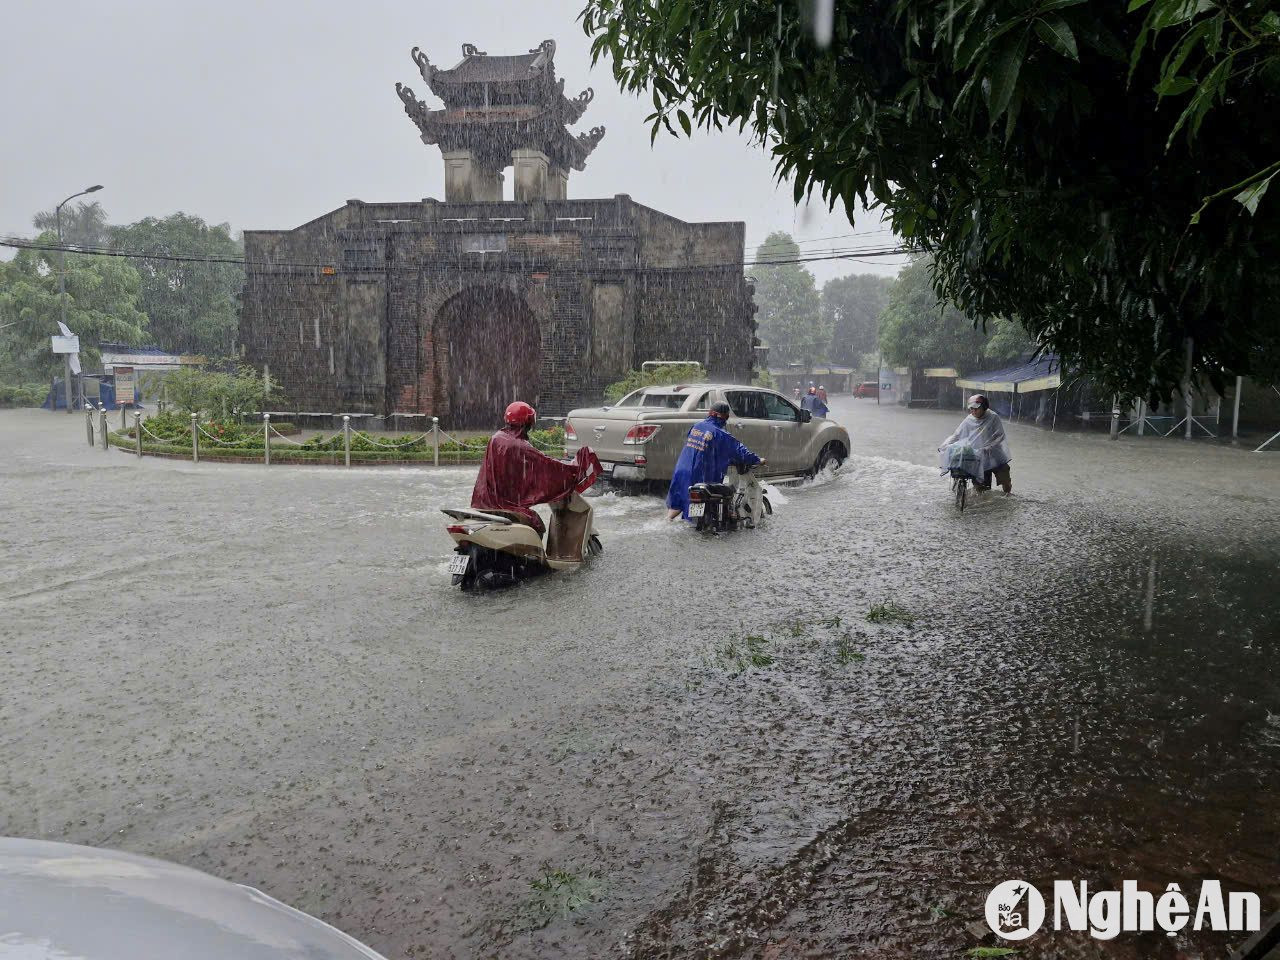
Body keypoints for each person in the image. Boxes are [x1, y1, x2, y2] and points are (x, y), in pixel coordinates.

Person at [471, 401, 602, 535]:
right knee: (537, 525)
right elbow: (547, 466)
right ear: (528, 422)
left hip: (485, 502)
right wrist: (574, 470)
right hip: (505, 505)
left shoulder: (497, 438)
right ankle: (532, 556)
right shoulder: (520, 446)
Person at [666, 401, 765, 520]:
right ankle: (726, 518)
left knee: (678, 504)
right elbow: (741, 452)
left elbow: (701, 448)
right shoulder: (722, 434)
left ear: (709, 413)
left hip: (681, 472)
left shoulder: (696, 426)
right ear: (725, 417)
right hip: (700, 475)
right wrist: (758, 459)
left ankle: (667, 522)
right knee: (725, 495)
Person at [939, 394, 1012, 493]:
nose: (973, 411)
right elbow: (957, 434)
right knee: (982, 488)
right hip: (978, 456)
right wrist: (945, 445)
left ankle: (1007, 498)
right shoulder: (969, 419)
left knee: (1005, 481)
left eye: (976, 409)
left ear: (984, 407)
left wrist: (989, 447)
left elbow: (1000, 436)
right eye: (971, 409)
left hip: (995, 455)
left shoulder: (993, 417)